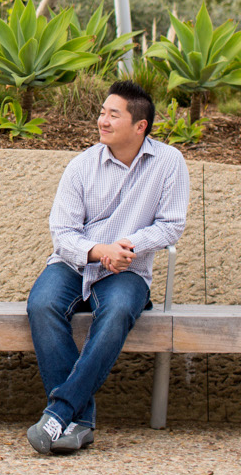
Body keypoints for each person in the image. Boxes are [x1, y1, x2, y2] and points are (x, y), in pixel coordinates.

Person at [25, 78, 190, 455]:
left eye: (113, 115)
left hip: (129, 269)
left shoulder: (169, 163)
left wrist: (130, 246)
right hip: (76, 261)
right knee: (42, 305)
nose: (102, 120)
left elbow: (171, 223)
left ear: (140, 126)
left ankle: (59, 413)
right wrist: (100, 251)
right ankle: (79, 422)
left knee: (116, 312)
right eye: (102, 112)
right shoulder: (82, 165)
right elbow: (62, 232)